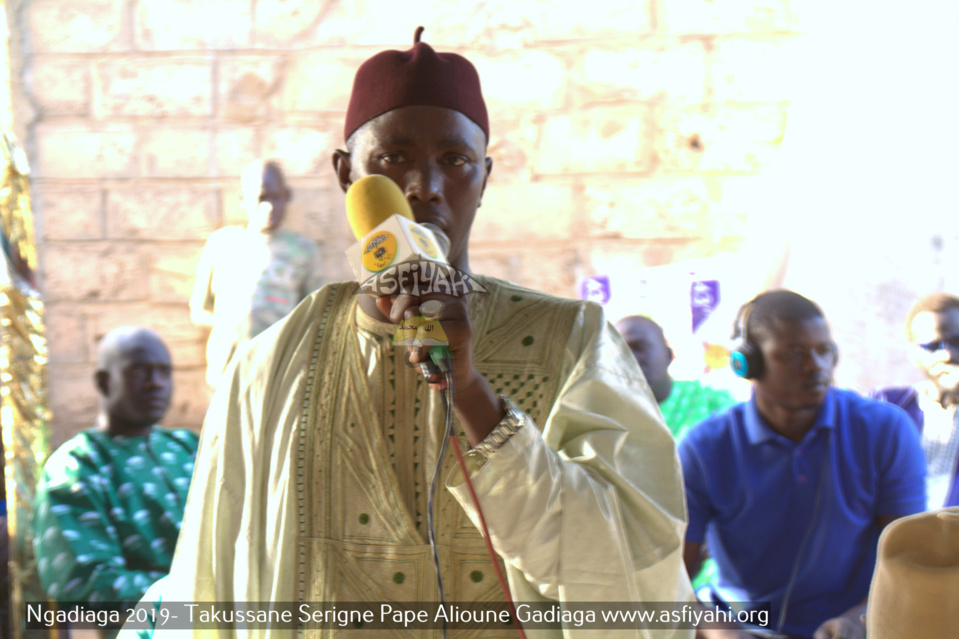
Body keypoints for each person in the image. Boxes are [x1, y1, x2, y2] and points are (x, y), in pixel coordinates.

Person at [164, 27, 693, 638]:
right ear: (346, 174)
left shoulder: (573, 342)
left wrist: (471, 391)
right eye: (393, 159)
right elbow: (212, 588)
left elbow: (631, 575)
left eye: (454, 160)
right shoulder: (271, 367)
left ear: (486, 177)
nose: (425, 187)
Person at [679, 289, 925, 639]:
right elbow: (672, 580)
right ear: (748, 363)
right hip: (745, 627)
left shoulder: (885, 429)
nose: (817, 367)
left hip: (854, 626)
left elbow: (909, 562)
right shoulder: (704, 447)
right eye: (795, 354)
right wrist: (720, 631)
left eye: (824, 351)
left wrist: (862, 617)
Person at [32, 327, 199, 609]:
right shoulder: (77, 466)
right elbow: (86, 585)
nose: (156, 383)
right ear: (104, 382)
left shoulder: (190, 447)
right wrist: (204, 595)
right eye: (139, 371)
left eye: (164, 372)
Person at [190, 159, 325, 387]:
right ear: (243, 199)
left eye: (275, 197)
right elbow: (199, 310)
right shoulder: (222, 244)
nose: (269, 206)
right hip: (228, 370)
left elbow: (316, 315)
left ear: (287, 196)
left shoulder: (303, 251)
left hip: (280, 371)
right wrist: (232, 329)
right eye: (262, 198)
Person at [871, 292, 959, 509]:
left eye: (957, 341)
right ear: (913, 354)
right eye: (932, 346)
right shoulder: (886, 406)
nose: (947, 355)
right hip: (894, 539)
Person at [615, 315, 736, 439]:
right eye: (620, 352)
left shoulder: (711, 402)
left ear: (668, 355)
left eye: (639, 348)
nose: (630, 360)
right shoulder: (604, 418)